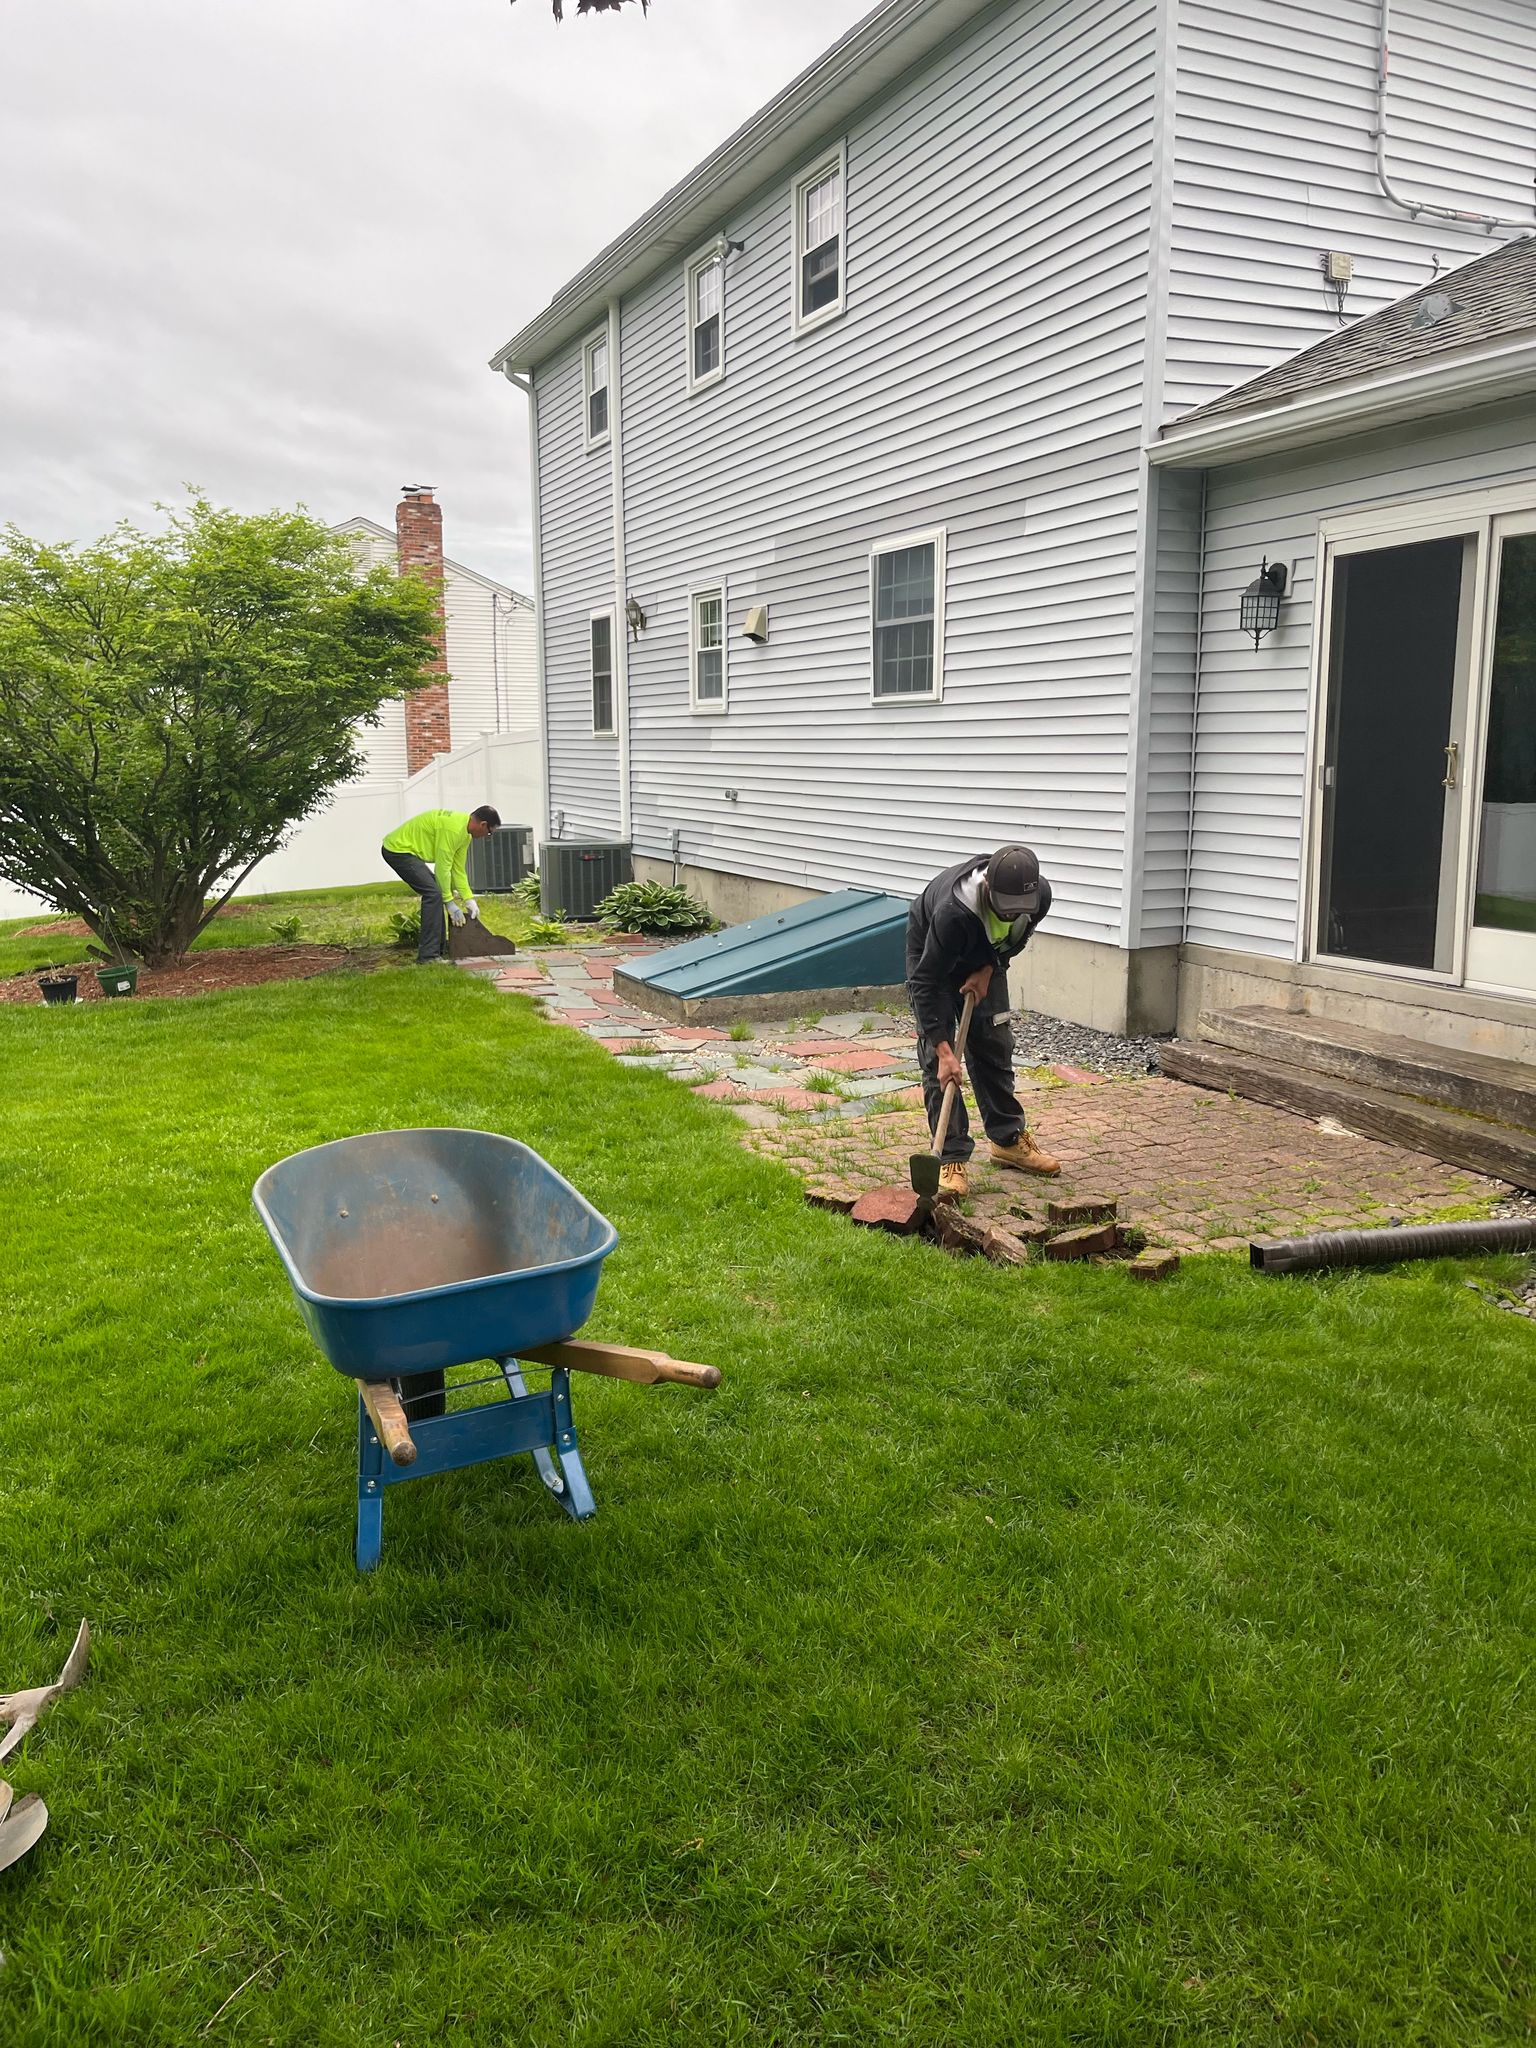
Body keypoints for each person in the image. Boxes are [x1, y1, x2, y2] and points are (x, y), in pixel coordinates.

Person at [906, 844, 1061, 1199]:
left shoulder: (1040, 898)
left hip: (984, 957)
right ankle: (949, 1156)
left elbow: (1013, 940)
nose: (1009, 917)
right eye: (1004, 909)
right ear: (989, 888)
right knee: (938, 1063)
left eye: (1017, 911)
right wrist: (945, 1051)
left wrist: (989, 967)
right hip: (934, 953)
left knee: (993, 1043)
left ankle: (1007, 1141)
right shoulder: (953, 911)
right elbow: (926, 981)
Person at [382, 805, 500, 964]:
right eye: (489, 832)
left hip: (408, 853)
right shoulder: (453, 829)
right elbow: (443, 868)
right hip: (398, 850)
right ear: (483, 824)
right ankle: (428, 957)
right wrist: (449, 902)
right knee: (433, 894)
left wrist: (469, 899)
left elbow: (458, 870)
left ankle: (439, 949)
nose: (487, 836)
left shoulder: (465, 834)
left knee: (436, 893)